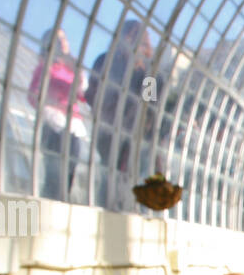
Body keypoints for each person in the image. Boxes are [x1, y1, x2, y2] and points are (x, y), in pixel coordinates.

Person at [86, 20, 158, 209]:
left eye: (142, 42)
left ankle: (126, 210)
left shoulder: (148, 72)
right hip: (109, 132)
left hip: (132, 137)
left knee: (127, 177)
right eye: (135, 39)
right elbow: (92, 93)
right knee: (111, 173)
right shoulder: (105, 62)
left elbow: (150, 105)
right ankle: (111, 209)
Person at [27, 28, 87, 200]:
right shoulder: (45, 67)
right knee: (54, 171)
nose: (62, 43)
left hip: (73, 123)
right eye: (57, 40)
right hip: (54, 123)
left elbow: (82, 96)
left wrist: (78, 74)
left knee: (70, 169)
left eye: (64, 39)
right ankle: (50, 204)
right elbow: (33, 95)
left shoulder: (72, 69)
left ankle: (62, 201)